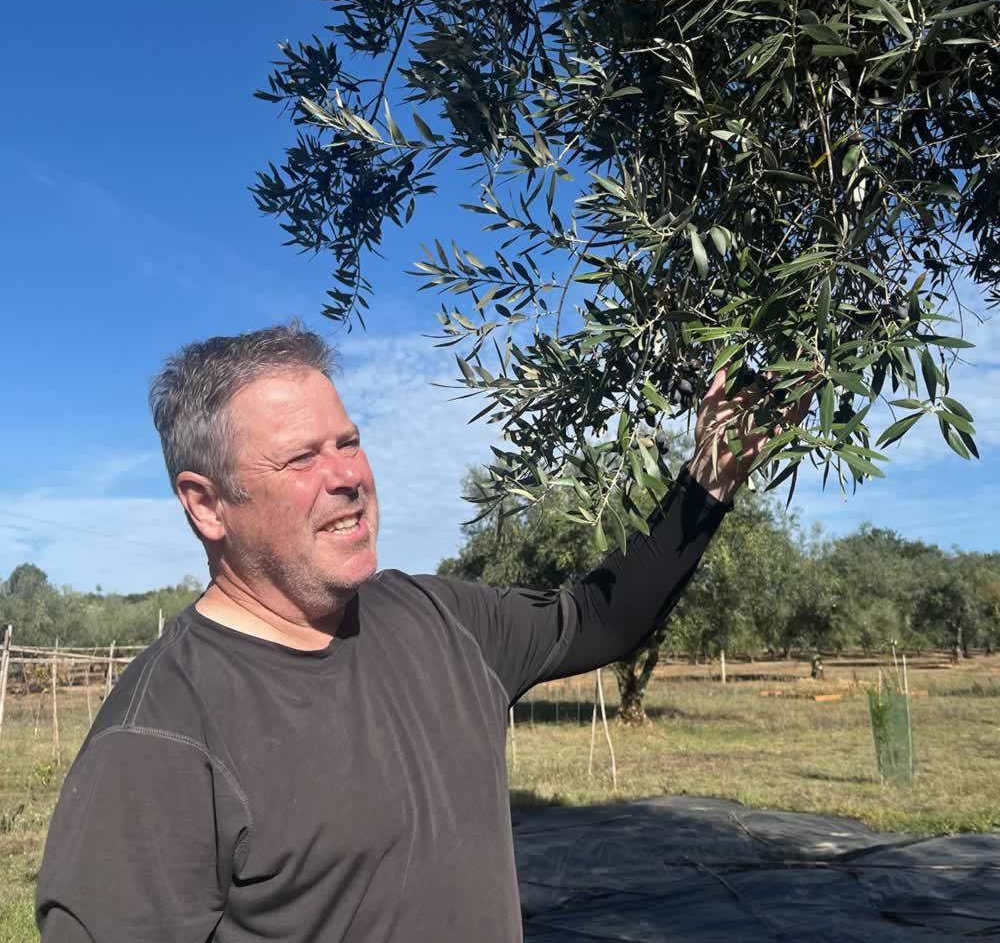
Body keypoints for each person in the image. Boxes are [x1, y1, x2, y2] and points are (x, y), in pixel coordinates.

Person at [36, 322, 805, 942]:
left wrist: (710, 479)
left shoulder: (437, 619)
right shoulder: (160, 736)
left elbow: (600, 618)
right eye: (302, 457)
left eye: (347, 442)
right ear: (207, 505)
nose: (347, 475)